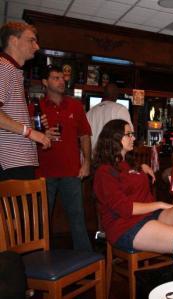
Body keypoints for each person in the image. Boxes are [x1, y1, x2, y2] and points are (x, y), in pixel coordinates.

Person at [93, 119, 173, 253]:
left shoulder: (130, 164)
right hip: (125, 226)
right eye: (129, 134)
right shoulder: (104, 172)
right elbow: (125, 208)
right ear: (114, 138)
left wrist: (142, 167)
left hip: (149, 215)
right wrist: (159, 204)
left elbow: (129, 175)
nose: (134, 137)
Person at [31, 65, 92, 251]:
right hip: (43, 172)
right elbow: (26, 138)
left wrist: (87, 162)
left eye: (62, 78)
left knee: (78, 219)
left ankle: (85, 264)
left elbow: (85, 135)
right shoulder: (35, 107)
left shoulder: (75, 105)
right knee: (42, 222)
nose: (61, 81)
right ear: (45, 82)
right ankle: (40, 261)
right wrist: (40, 134)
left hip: (71, 171)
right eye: (56, 77)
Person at [0, 21, 51, 180]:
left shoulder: (12, 70)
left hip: (16, 160)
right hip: (10, 161)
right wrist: (30, 132)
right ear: (13, 41)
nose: (36, 46)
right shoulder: (3, 67)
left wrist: (30, 122)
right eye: (31, 40)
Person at [87, 83, 132, 153]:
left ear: (103, 94)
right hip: (112, 159)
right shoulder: (120, 109)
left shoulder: (90, 112)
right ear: (116, 95)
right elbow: (129, 135)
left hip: (93, 159)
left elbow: (84, 138)